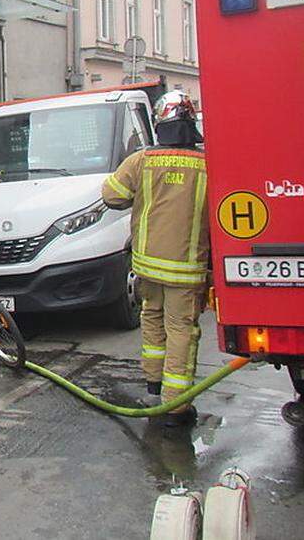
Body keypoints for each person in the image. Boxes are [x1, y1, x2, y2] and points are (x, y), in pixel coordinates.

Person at [101, 91, 209, 429]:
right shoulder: (208, 165)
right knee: (180, 329)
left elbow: (111, 196)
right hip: (186, 267)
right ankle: (176, 405)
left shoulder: (141, 161)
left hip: (147, 265)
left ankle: (154, 383)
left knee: (152, 317)